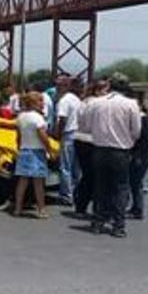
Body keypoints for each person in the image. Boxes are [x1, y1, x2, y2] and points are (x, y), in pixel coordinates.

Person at [87, 74, 141, 238]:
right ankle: (118, 225)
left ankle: (98, 221)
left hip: (99, 149)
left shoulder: (96, 103)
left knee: (100, 186)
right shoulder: (131, 104)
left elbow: (88, 126)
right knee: (120, 187)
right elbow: (136, 131)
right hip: (120, 150)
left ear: (110, 86)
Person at [12, 92, 52, 219]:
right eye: (40, 101)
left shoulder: (21, 117)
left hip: (24, 150)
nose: (42, 104)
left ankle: (18, 208)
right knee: (38, 183)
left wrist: (19, 147)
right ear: (34, 103)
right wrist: (49, 149)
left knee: (22, 181)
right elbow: (43, 136)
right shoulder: (38, 118)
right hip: (37, 151)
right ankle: (41, 209)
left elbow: (18, 136)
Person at [73, 80, 107, 217]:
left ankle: (80, 205)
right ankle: (91, 207)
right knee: (94, 177)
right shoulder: (98, 104)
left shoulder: (83, 102)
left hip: (80, 139)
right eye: (105, 91)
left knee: (86, 175)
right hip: (92, 140)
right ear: (97, 91)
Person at [55, 75, 83, 207]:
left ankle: (66, 195)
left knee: (65, 166)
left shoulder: (64, 101)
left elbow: (62, 119)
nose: (57, 88)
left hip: (68, 134)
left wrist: (58, 134)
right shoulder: (76, 99)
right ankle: (77, 193)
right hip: (78, 134)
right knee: (75, 167)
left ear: (66, 86)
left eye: (59, 85)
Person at [128, 95, 148, 220]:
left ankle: (138, 209)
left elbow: (143, 140)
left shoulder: (144, 120)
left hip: (141, 156)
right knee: (134, 183)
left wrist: (137, 156)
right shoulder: (140, 118)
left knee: (136, 182)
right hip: (140, 155)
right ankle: (135, 207)